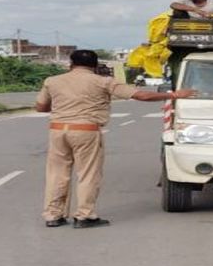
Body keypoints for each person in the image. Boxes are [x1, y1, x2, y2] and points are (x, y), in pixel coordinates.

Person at [35, 49, 196, 229]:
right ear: (95, 66)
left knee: (57, 174)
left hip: (57, 131)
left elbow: (41, 107)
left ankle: (53, 215)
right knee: (88, 174)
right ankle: (84, 216)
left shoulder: (52, 81)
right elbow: (141, 95)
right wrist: (173, 95)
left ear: (70, 64)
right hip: (86, 131)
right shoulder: (103, 82)